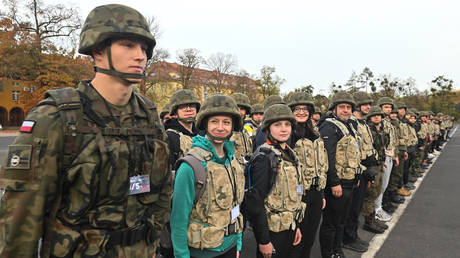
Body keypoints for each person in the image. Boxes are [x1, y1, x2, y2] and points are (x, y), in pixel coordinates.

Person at [0, 4, 172, 257]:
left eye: (144, 49)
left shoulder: (148, 116)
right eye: (128, 45)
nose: (141, 56)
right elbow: (21, 216)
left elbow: (162, 192)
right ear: (98, 50)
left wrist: (153, 243)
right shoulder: (57, 116)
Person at [170, 94, 245, 258]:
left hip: (230, 247)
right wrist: (182, 255)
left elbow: (235, 206)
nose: (220, 127)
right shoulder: (191, 165)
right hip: (202, 252)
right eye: (214, 121)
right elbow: (179, 219)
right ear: (205, 123)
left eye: (226, 122)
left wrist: (237, 241)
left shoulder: (233, 163)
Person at [243, 104, 304, 258]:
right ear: (267, 129)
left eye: (287, 124)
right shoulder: (264, 157)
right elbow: (256, 203)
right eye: (277, 125)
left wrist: (295, 226)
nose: (284, 129)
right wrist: (264, 240)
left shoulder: (289, 153)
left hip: (288, 226)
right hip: (272, 231)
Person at [318, 91, 361, 258]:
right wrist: (334, 182)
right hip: (337, 183)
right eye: (342, 107)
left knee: (341, 221)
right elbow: (328, 157)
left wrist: (356, 177)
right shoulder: (329, 126)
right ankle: (328, 253)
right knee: (331, 222)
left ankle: (337, 249)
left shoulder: (349, 125)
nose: (345, 110)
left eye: (348, 107)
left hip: (349, 180)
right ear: (334, 109)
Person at [288, 92, 328, 258]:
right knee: (296, 238)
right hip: (299, 194)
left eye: (305, 109)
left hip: (316, 192)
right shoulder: (288, 133)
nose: (301, 112)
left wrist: (322, 194)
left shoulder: (315, 131)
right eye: (297, 109)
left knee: (310, 236)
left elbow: (322, 163)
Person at [343, 91, 380, 252]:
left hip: (364, 169)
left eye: (369, 104)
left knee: (357, 207)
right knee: (352, 208)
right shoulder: (351, 123)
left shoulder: (362, 123)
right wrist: (363, 171)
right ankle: (348, 238)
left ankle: (353, 236)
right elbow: (350, 153)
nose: (368, 107)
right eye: (365, 104)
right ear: (356, 105)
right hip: (356, 171)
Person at [361, 106, 389, 234]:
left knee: (377, 191)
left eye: (379, 115)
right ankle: (368, 220)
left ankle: (372, 218)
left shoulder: (381, 131)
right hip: (371, 165)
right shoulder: (369, 132)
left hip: (379, 163)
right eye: (374, 115)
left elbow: (382, 148)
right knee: (370, 193)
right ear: (370, 118)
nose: (377, 117)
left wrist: (382, 162)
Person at [165, 89, 200, 168]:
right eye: (183, 106)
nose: (188, 109)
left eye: (191, 105)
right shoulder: (169, 137)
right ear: (175, 111)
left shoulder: (202, 134)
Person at [230, 93, 254, 167]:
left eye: (242, 109)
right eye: (236, 108)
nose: (239, 111)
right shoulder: (225, 131)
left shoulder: (248, 129)